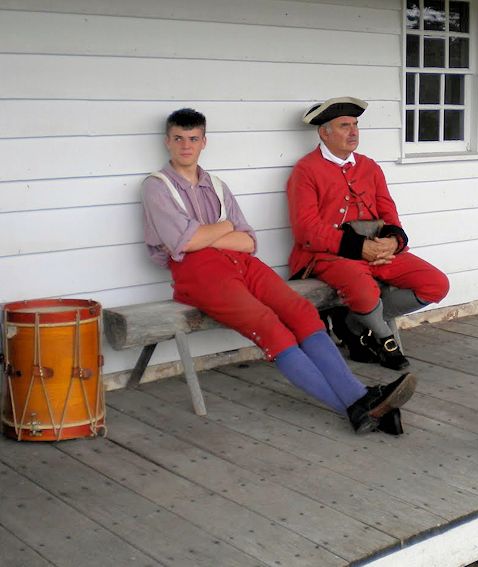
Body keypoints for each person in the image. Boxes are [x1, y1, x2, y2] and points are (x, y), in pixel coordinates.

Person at [141, 108, 416, 435]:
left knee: (301, 311)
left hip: (240, 262)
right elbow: (183, 242)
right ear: (167, 142)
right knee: (269, 326)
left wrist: (209, 234)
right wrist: (224, 226)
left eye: (193, 139)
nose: (186, 146)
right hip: (197, 274)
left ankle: (362, 407)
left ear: (204, 142)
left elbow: (247, 241)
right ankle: (358, 402)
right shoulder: (156, 187)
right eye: (178, 139)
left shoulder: (216, 185)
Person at [287, 97, 450, 370]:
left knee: (436, 283)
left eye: (355, 125)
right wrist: (359, 248)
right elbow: (306, 230)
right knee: (364, 290)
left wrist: (392, 242)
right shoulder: (306, 170)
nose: (353, 132)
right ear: (323, 132)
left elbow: (389, 212)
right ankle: (385, 341)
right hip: (330, 254)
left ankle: (352, 322)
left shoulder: (369, 166)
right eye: (344, 126)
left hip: (378, 249)